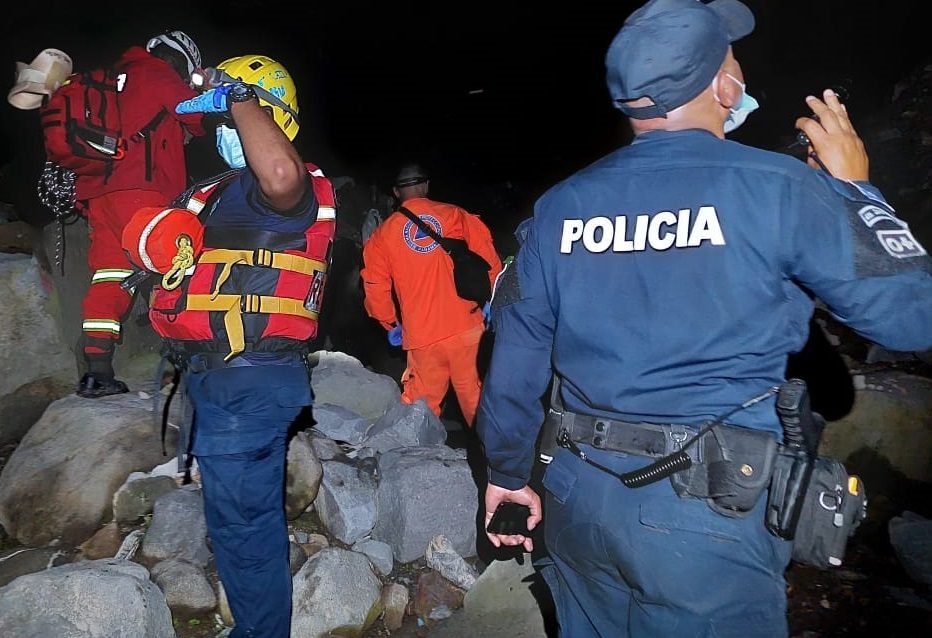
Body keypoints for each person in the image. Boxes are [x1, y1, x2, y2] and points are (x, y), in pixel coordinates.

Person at [476, 1, 932, 636]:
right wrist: (855, 193)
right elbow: (913, 317)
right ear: (724, 86)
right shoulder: (779, 187)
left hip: (577, 501)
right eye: (733, 61)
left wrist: (505, 474)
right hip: (708, 518)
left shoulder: (559, 208)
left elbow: (514, 365)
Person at [152, 54, 336, 637]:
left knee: (244, 529)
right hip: (224, 380)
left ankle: (260, 632)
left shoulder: (284, 186)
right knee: (237, 523)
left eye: (235, 120)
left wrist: (237, 96)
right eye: (224, 122)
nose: (225, 132)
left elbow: (280, 176)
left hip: (247, 380)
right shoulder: (226, 192)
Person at [75, 30, 206, 398]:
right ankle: (182, 363)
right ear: (179, 60)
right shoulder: (156, 72)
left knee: (109, 275)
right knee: (172, 265)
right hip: (142, 189)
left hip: (99, 195)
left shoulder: (108, 79)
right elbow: (192, 113)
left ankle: (96, 371)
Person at [361, 164, 502, 426]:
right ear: (426, 186)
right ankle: (490, 460)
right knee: (478, 401)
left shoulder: (382, 236)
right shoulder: (456, 216)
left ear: (395, 192)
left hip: (422, 336)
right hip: (468, 329)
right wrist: (493, 303)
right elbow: (491, 263)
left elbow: (374, 286)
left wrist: (390, 324)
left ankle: (413, 461)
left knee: (420, 410)